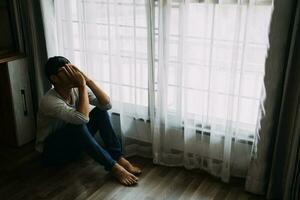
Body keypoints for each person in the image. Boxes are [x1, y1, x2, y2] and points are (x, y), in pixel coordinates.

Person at [35, 56, 141, 186]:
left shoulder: (75, 90)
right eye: (66, 71)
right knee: (78, 126)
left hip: (73, 145)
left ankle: (118, 157)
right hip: (53, 151)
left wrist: (88, 81)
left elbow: (106, 105)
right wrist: (81, 85)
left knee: (100, 112)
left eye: (72, 69)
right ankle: (114, 168)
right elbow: (82, 119)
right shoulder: (49, 101)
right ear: (54, 79)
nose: (72, 74)